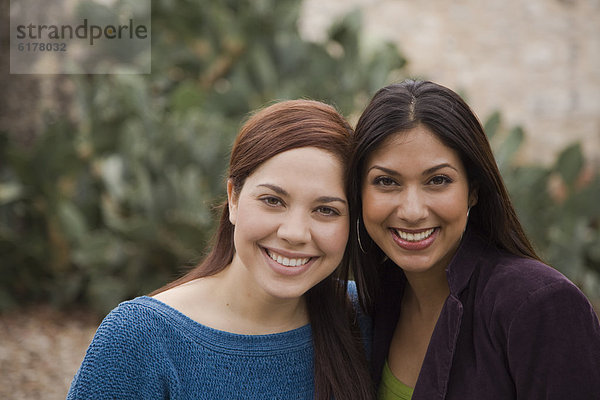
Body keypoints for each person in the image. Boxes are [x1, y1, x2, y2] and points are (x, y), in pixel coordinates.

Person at [67, 99, 374, 400]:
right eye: (272, 201)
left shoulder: (364, 318)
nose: (294, 233)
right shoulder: (140, 338)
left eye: (326, 210)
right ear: (233, 199)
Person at [348, 79, 600, 399]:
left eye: (438, 180)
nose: (412, 211)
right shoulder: (371, 304)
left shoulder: (540, 305)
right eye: (386, 181)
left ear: (473, 191)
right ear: (359, 193)